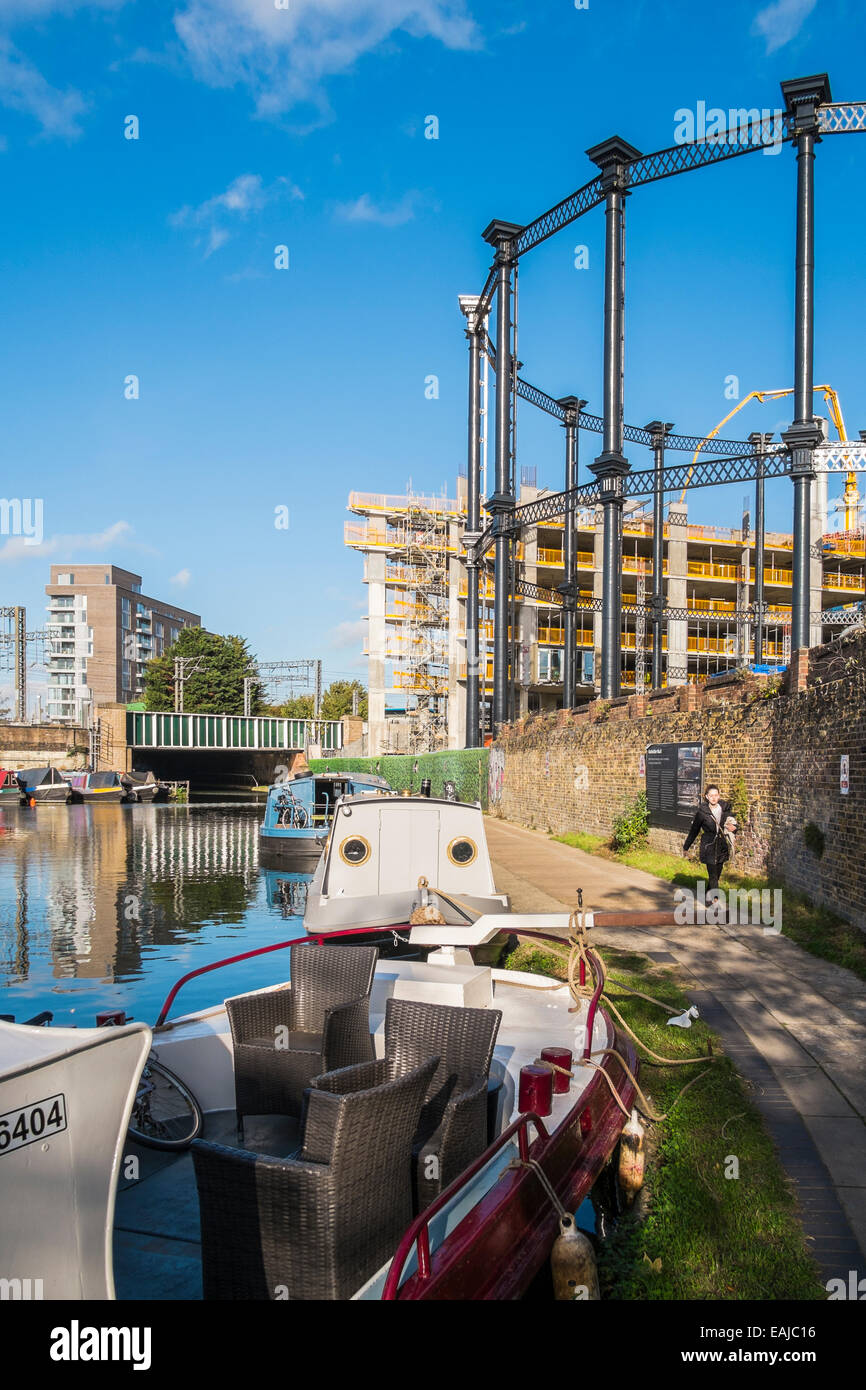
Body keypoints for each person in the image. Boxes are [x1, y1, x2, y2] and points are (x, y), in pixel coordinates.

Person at [682, 784, 737, 904]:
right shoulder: (702, 812)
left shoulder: (725, 808)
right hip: (709, 846)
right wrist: (686, 847)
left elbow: (732, 822)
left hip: (721, 845)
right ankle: (715, 900)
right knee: (712, 875)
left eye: (716, 795)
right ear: (707, 797)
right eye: (711, 795)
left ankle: (707, 896)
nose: (713, 798)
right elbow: (694, 830)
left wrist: (735, 828)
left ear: (719, 796)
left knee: (716, 875)